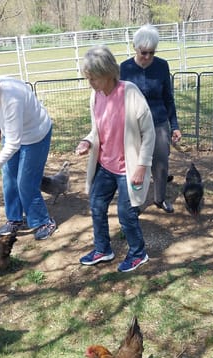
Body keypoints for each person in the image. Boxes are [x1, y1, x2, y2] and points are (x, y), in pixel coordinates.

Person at [75, 45, 155, 273]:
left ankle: (138, 253)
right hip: (106, 164)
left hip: (128, 167)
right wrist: (87, 141)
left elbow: (149, 132)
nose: (90, 83)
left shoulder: (130, 93)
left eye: (94, 78)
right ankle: (103, 249)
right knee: (96, 206)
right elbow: (97, 130)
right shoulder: (95, 96)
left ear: (109, 73)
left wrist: (142, 165)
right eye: (88, 78)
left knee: (126, 214)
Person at [0, 67, 57, 240]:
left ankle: (43, 221)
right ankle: (14, 219)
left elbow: (13, 143)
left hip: (35, 135)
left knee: (26, 182)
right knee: (9, 178)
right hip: (15, 134)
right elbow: (0, 112)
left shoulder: (12, 97)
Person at [120, 24, 182, 214]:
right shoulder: (125, 68)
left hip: (159, 122)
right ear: (135, 47)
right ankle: (137, 201)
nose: (147, 56)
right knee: (137, 164)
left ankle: (160, 198)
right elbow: (120, 101)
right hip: (134, 125)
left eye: (151, 53)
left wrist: (175, 126)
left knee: (161, 163)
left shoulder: (162, 66)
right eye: (143, 52)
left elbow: (168, 98)